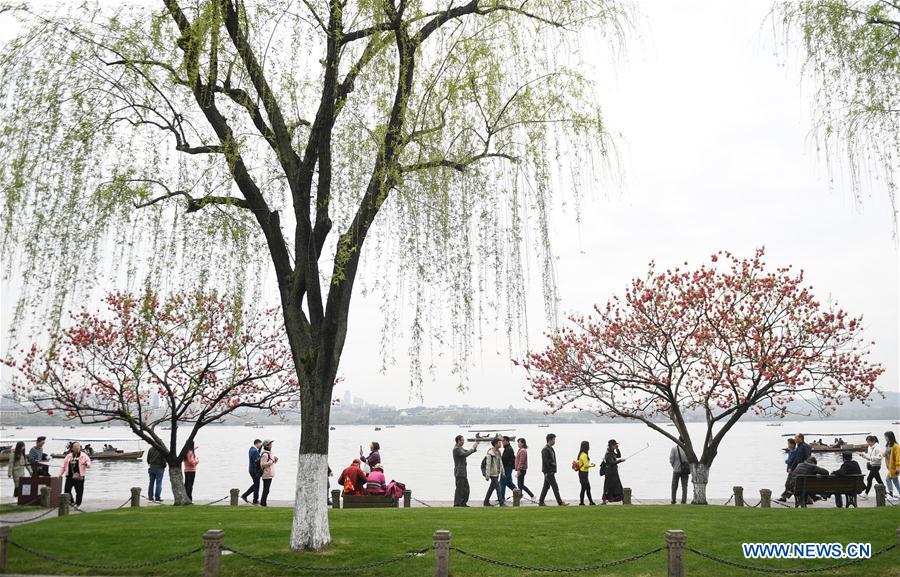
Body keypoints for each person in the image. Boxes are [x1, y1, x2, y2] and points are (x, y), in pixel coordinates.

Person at [58, 441, 91, 506]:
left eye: (78, 446)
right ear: (72, 448)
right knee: (67, 489)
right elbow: (63, 466)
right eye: (75, 446)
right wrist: (60, 474)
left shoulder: (83, 455)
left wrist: (87, 464)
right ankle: (71, 501)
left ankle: (78, 503)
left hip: (79, 476)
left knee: (79, 491)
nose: (77, 448)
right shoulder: (68, 456)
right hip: (69, 476)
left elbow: (88, 462)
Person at [538, 433, 566, 506]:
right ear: (549, 440)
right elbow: (546, 462)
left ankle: (541, 501)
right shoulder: (545, 449)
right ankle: (560, 502)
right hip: (548, 472)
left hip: (551, 471)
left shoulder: (550, 449)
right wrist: (548, 471)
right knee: (555, 487)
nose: (554, 441)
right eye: (553, 439)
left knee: (546, 487)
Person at [452, 435, 478, 507]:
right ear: (458, 441)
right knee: (460, 488)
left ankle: (463, 503)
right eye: (462, 440)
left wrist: (474, 449)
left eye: (463, 440)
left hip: (462, 472)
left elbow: (466, 451)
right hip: (459, 472)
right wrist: (472, 448)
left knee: (465, 488)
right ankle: (457, 503)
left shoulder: (460, 448)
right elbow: (464, 454)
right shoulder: (456, 449)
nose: (463, 442)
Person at [601, 439, 625, 504]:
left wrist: (617, 449)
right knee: (608, 486)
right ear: (611, 445)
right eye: (615, 445)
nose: (615, 446)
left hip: (614, 472)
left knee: (617, 486)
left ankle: (622, 499)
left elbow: (619, 455)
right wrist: (620, 461)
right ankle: (604, 500)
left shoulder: (612, 452)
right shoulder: (608, 454)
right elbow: (612, 462)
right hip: (609, 473)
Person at [483, 438, 504, 506]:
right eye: (499, 442)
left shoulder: (498, 452)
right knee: (498, 487)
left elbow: (500, 463)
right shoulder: (490, 453)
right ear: (495, 444)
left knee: (491, 488)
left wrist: (502, 472)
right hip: (492, 474)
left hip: (497, 473)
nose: (501, 444)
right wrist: (487, 475)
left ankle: (486, 502)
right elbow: (488, 464)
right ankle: (501, 503)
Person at [241, 439, 263, 505]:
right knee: (257, 485)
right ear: (257, 443)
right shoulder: (254, 451)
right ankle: (254, 500)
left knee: (256, 484)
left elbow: (256, 454)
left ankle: (247, 496)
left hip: (251, 470)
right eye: (260, 444)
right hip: (254, 471)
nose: (260, 445)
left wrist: (260, 449)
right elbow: (258, 460)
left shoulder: (251, 449)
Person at [498, 436, 517, 504]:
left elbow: (504, 459)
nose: (502, 442)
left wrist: (499, 456)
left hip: (507, 468)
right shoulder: (507, 448)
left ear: (507, 441)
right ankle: (517, 492)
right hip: (507, 468)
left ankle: (502, 498)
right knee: (508, 482)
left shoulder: (509, 449)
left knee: (502, 482)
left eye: (503, 441)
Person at [259, 440, 278, 507]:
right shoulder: (265, 454)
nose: (271, 445)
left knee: (267, 490)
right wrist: (271, 461)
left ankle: (263, 502)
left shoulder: (269, 453)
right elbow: (262, 464)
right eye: (270, 444)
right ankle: (263, 503)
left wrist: (274, 460)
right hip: (266, 474)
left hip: (269, 474)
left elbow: (271, 463)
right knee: (266, 490)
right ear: (267, 446)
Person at [576, 440, 596, 506]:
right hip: (583, 474)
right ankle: (584, 502)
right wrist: (592, 465)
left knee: (586, 488)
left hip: (583, 473)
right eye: (588, 446)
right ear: (586, 447)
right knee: (585, 488)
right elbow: (586, 465)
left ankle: (589, 502)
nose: (589, 447)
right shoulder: (584, 455)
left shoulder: (581, 454)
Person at [884, 431, 900, 497]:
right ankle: (892, 493)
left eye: (885, 436)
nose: (885, 438)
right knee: (896, 482)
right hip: (890, 466)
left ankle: (890, 494)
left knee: (888, 479)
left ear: (889, 437)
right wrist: (882, 454)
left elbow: (898, 457)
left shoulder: (896, 446)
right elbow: (886, 453)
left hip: (894, 467)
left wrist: (898, 467)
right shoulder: (888, 445)